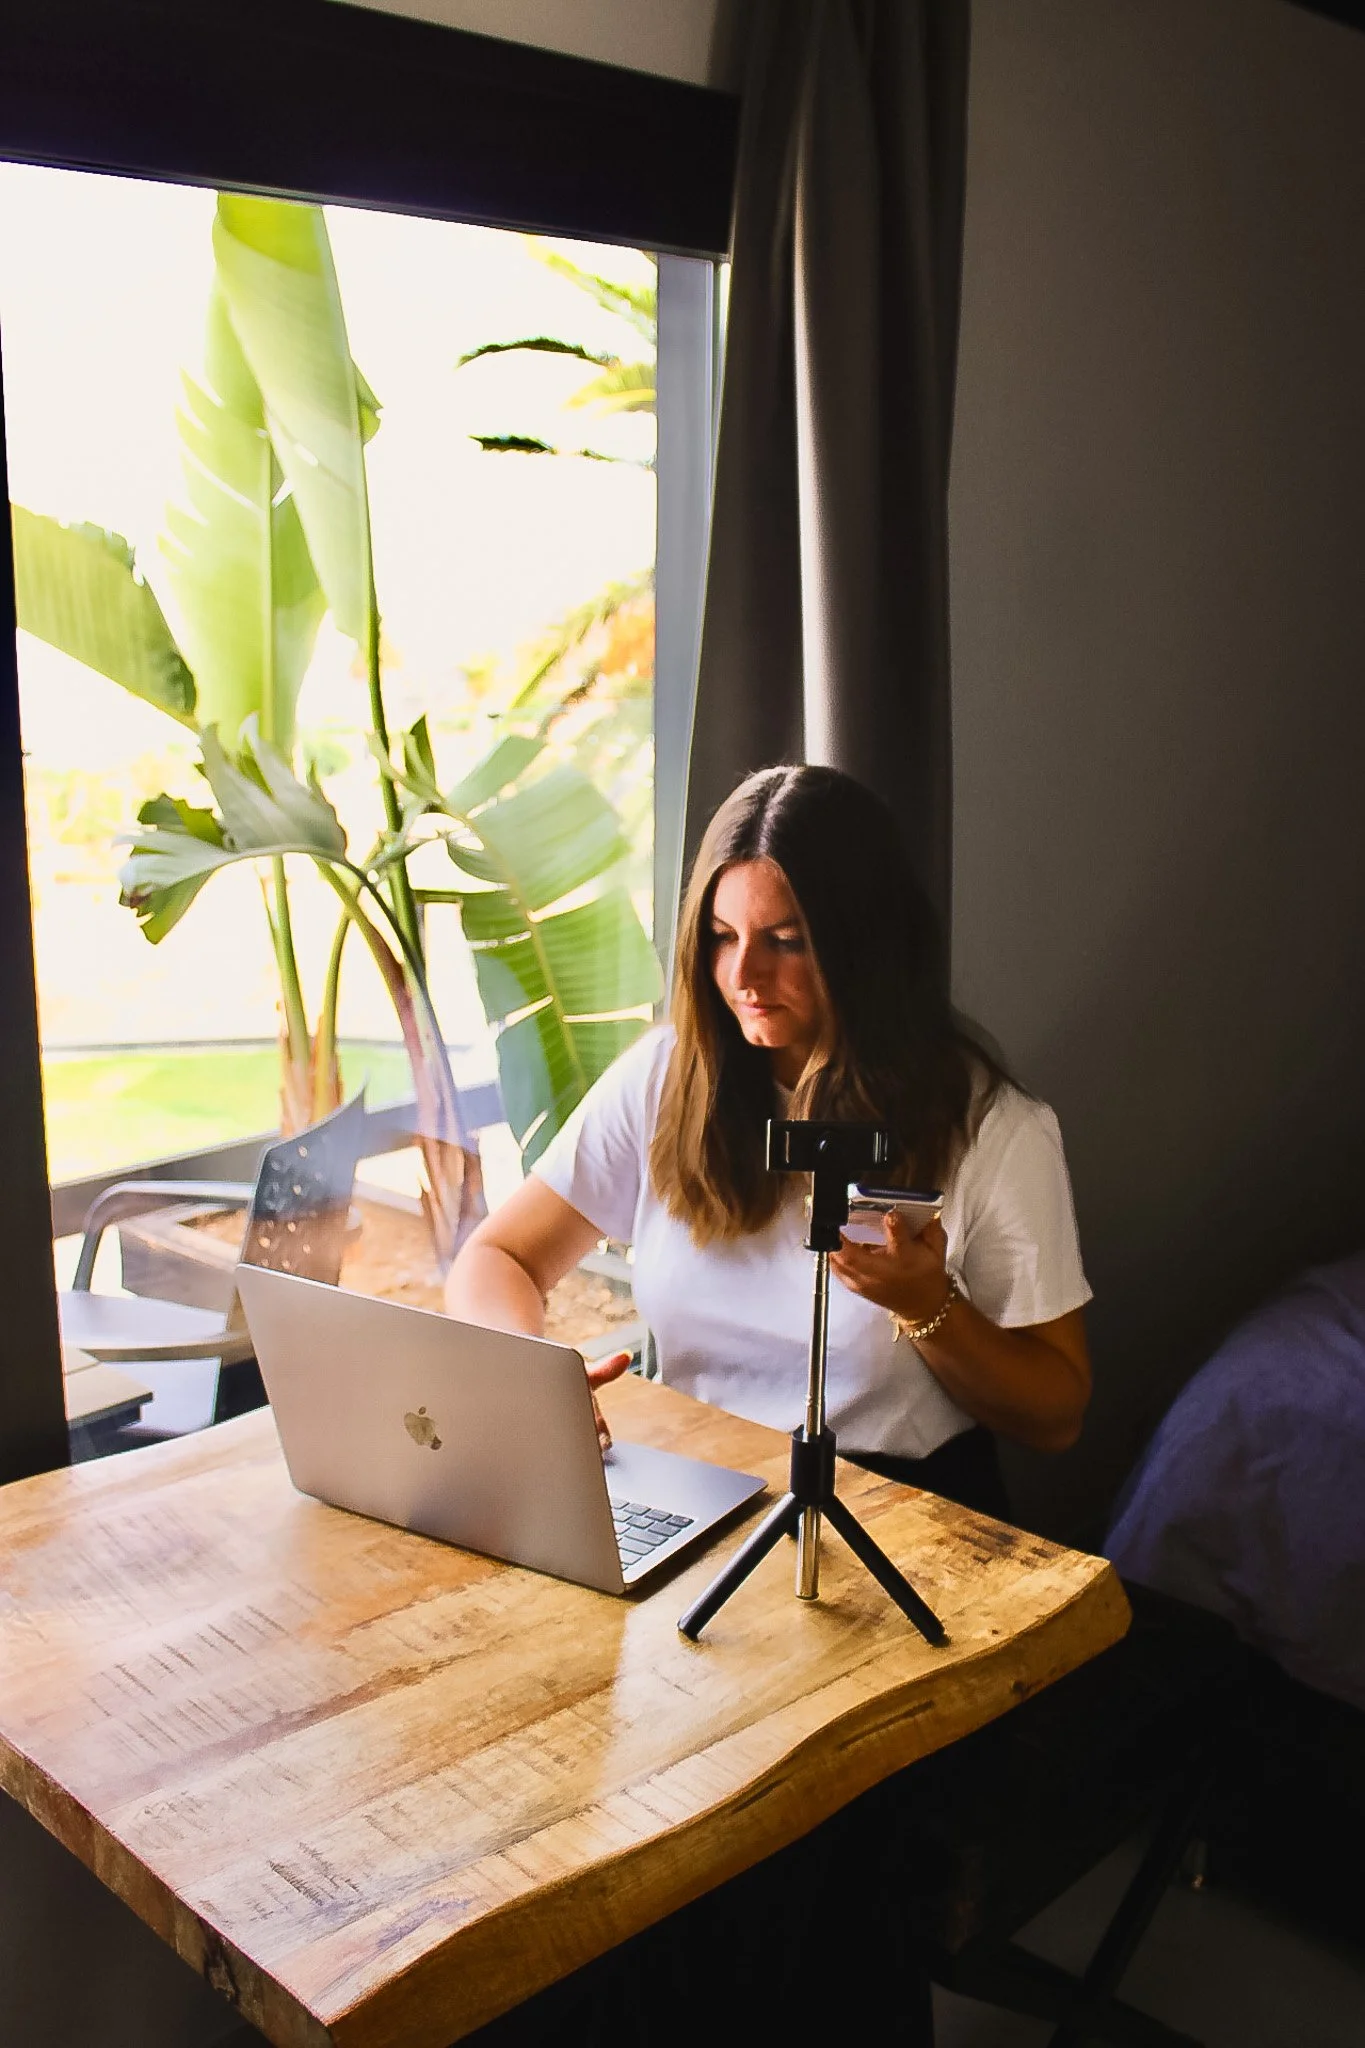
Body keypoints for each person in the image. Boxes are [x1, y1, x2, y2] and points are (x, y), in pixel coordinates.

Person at [446, 763, 1091, 1518]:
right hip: (696, 1493)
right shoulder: (665, 1080)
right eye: (721, 938)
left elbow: (1056, 1416)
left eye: (785, 941)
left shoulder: (992, 1129)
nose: (743, 975)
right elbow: (498, 1257)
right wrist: (531, 1375)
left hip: (899, 1512)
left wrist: (929, 1307)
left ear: (867, 947)